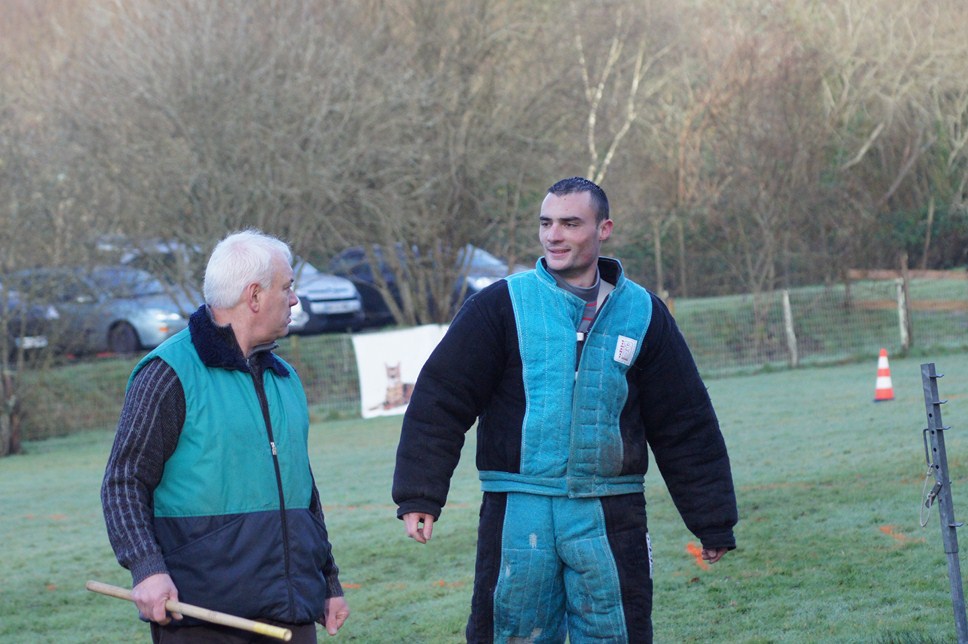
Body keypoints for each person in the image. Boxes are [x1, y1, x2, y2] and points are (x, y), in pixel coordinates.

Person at [392, 177, 737, 643]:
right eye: (546, 223)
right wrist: (419, 493)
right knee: (510, 635)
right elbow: (442, 399)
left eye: (570, 223)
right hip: (519, 509)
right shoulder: (499, 306)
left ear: (604, 229)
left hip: (611, 513)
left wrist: (711, 519)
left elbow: (684, 422)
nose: (554, 235)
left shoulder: (644, 313)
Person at [101, 230, 349, 643]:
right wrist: (147, 569)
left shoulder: (284, 378)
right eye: (287, 288)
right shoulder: (168, 373)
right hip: (204, 618)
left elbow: (301, 491)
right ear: (254, 296)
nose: (294, 300)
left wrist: (328, 581)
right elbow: (122, 483)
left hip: (292, 614)